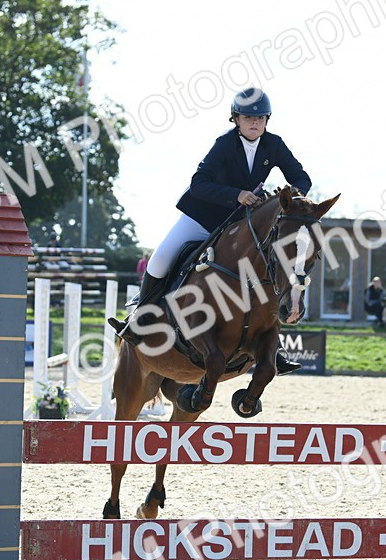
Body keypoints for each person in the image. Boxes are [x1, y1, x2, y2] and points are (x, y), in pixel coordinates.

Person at [108, 87, 311, 374]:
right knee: (161, 258)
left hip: (239, 225)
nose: (254, 122)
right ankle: (141, 319)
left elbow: (302, 177)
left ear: (267, 120)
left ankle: (272, 346)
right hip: (202, 216)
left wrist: (292, 196)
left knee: (266, 267)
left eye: (260, 118)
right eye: (247, 117)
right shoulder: (225, 145)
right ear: (236, 119)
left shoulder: (274, 145)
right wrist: (236, 195)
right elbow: (198, 184)